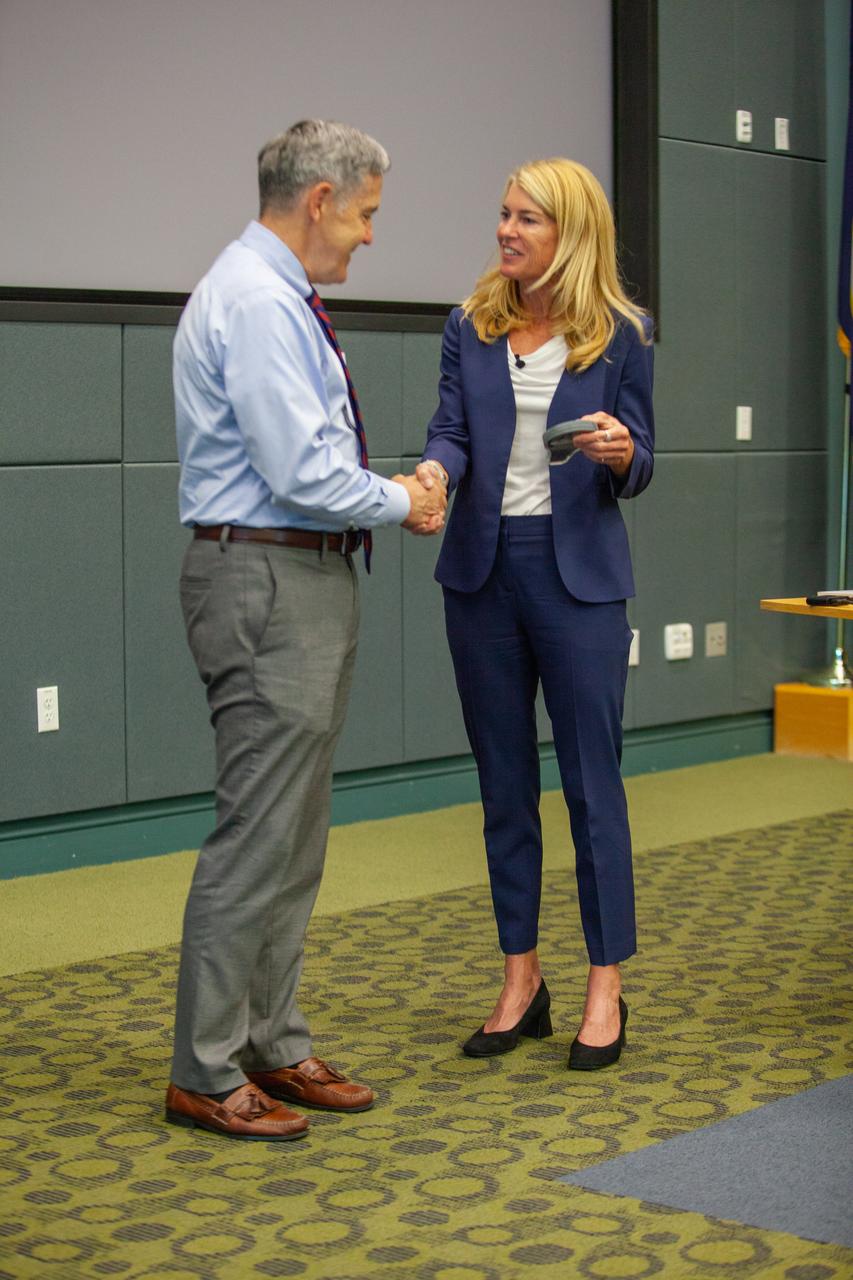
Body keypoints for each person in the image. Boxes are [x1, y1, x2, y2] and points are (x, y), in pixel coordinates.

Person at [167, 120, 445, 1141]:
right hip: (266, 573)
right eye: (367, 213)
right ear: (319, 200)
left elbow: (305, 460)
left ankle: (270, 1041)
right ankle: (204, 1067)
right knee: (259, 830)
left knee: (294, 829)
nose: (370, 235)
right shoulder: (254, 299)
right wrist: (403, 497)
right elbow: (302, 472)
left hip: (297, 573)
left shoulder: (278, 296)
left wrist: (381, 495)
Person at [418, 157, 653, 1069]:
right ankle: (522, 977)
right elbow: (450, 427)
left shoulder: (621, 335)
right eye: (503, 214)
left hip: (578, 581)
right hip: (480, 574)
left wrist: (622, 449)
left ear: (571, 232)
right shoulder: (469, 326)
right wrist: (435, 470)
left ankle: (605, 984)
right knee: (503, 786)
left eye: (528, 219)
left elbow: (640, 461)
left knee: (593, 787)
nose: (507, 230)